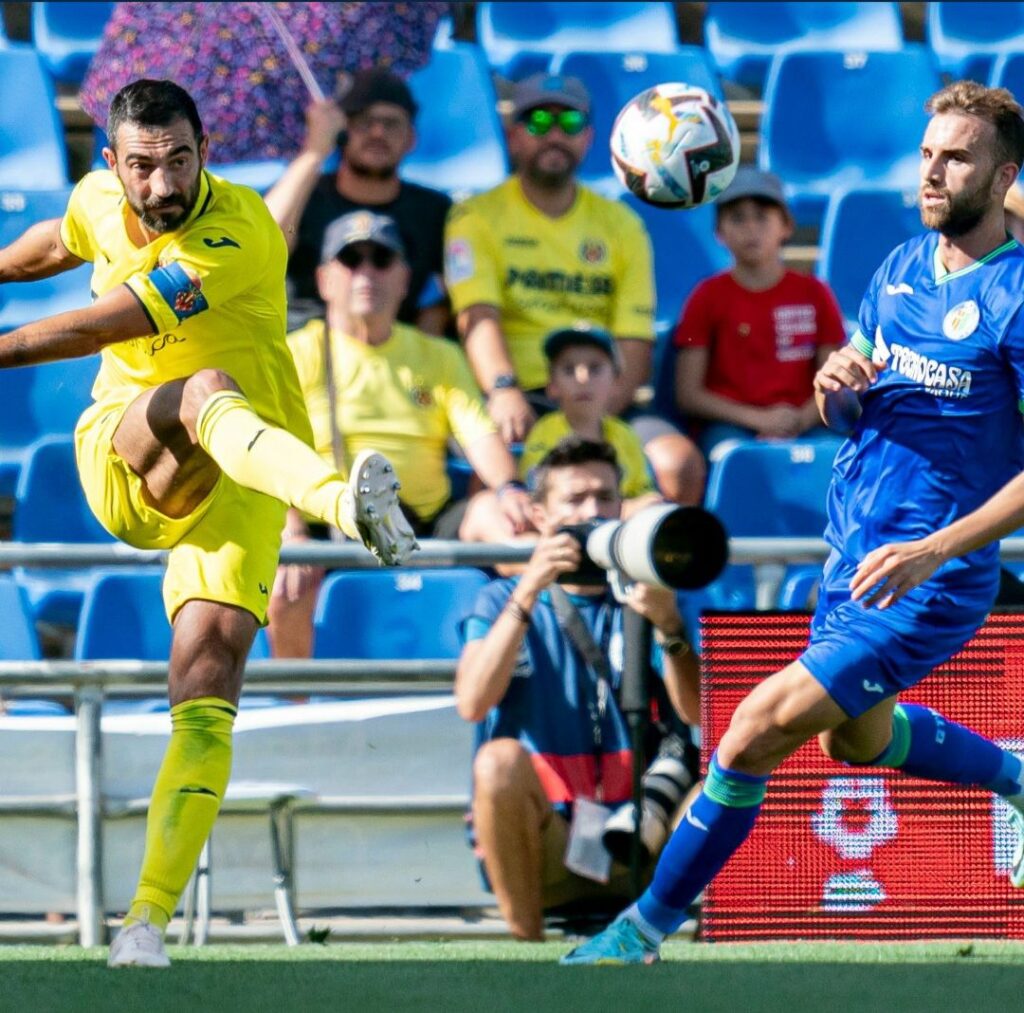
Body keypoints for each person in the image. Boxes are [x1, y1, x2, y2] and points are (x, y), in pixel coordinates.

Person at [561, 80, 1024, 965]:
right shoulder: (897, 269)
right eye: (927, 154)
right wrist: (835, 387)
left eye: (956, 157)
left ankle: (641, 931)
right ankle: (1014, 777)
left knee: (752, 731)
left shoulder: (1017, 298)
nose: (933, 172)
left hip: (928, 578)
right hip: (852, 557)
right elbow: (868, 395)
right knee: (860, 743)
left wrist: (935, 549)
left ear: (1004, 175)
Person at [0, 79, 417, 968]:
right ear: (113, 164)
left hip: (246, 476)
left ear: (205, 152)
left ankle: (143, 924)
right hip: (127, 449)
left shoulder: (237, 234)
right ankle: (346, 505)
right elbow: (56, 242)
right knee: (202, 392)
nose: (161, 185)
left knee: (207, 681)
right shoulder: (98, 201)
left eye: (179, 161)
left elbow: (98, 322)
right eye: (142, 166)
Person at [456, 436, 700, 941]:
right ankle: (527, 954)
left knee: (724, 784)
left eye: (606, 497)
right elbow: (472, 702)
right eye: (575, 500)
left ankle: (710, 948)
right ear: (541, 516)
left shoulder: (650, 592)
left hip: (646, 831)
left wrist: (669, 627)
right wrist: (528, 589)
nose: (594, 512)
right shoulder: (501, 596)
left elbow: (699, 714)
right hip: (551, 838)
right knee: (497, 764)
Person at [269, 209, 531, 657]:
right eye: (351, 260)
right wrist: (292, 532)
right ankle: (299, 712)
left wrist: (509, 490)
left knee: (520, 537)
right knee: (287, 576)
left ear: (405, 279)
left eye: (381, 259)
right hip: (328, 524)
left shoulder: (440, 355)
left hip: (426, 521)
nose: (366, 273)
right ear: (324, 279)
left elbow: (480, 435)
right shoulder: (293, 352)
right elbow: (270, 453)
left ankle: (526, 686)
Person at [444, 72, 706, 505]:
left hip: (601, 395)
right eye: (538, 122)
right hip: (519, 396)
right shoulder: (475, 217)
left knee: (678, 464)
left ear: (588, 138)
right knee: (494, 476)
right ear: (512, 136)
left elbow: (634, 343)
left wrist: (592, 415)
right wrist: (503, 389)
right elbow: (479, 318)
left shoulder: (621, 224)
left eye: (568, 124)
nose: (553, 135)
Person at [674, 167, 845, 461]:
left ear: (786, 226)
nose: (751, 228)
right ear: (719, 232)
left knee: (841, 458)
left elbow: (834, 381)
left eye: (762, 216)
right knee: (730, 457)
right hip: (730, 426)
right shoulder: (705, 297)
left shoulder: (815, 293)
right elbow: (688, 394)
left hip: (805, 423)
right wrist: (759, 419)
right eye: (738, 218)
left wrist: (799, 421)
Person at [264, 68, 451, 334]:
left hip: (392, 359)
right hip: (303, 356)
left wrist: (425, 356)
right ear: (342, 130)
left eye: (391, 123)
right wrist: (314, 152)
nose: (377, 132)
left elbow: (450, 299)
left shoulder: (434, 211)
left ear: (411, 138)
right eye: (364, 121)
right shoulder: (304, 195)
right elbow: (257, 247)